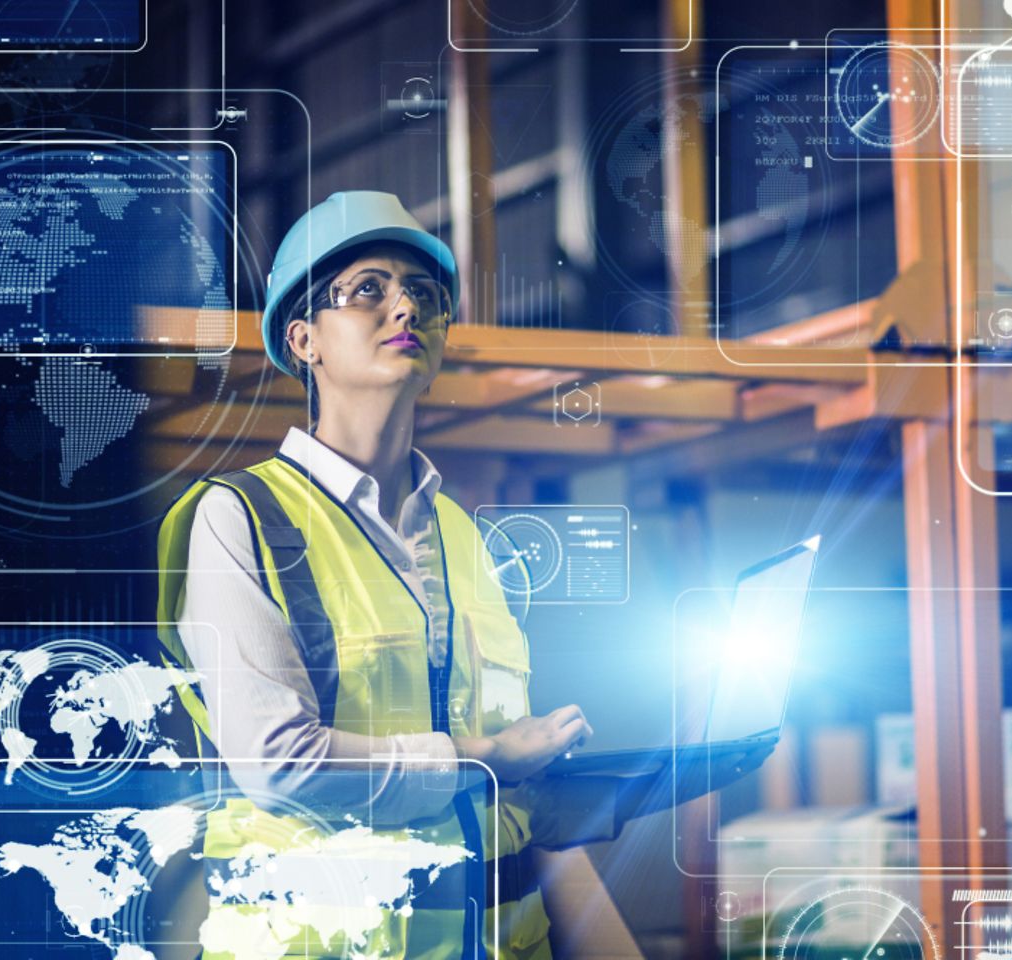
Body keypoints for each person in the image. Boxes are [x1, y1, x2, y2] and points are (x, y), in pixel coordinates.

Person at [155, 191, 765, 959]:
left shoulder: (463, 538)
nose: (405, 306)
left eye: (425, 294)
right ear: (303, 338)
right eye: (369, 288)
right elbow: (280, 763)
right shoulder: (238, 518)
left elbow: (521, 803)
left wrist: (637, 782)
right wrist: (482, 757)